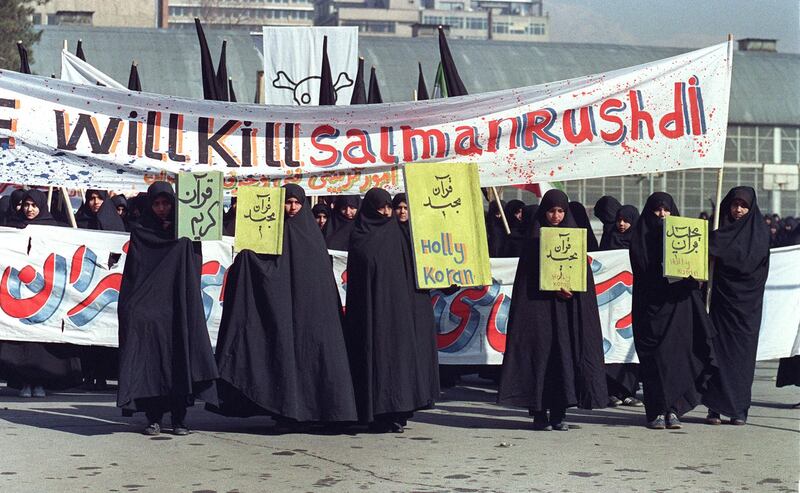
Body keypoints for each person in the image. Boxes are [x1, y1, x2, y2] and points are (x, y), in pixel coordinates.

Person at [208, 184, 358, 426]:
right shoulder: (270, 232)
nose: (292, 207)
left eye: (297, 202)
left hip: (310, 315)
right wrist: (249, 260)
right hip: (283, 312)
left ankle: (313, 411)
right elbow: (270, 271)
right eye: (287, 202)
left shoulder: (311, 237)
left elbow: (318, 277)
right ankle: (284, 412)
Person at [498, 189, 608, 431]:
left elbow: (583, 279)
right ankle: (539, 412)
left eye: (560, 211)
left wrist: (573, 290)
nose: (556, 216)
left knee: (563, 359)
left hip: (565, 312)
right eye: (551, 210)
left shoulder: (574, 241)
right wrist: (549, 288)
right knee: (540, 359)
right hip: (538, 313)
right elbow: (526, 280)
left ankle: (559, 413)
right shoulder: (533, 241)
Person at [116, 181, 218, 436]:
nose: (162, 208)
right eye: (157, 204)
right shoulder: (141, 232)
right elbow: (135, 274)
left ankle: (180, 418)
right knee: (151, 364)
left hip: (178, 307)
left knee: (179, 361)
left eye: (166, 203)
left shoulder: (187, 233)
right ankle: (153, 417)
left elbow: (193, 268)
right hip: (151, 310)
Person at [343, 188, 439, 433]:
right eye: (381, 207)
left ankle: (398, 410)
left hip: (397, 312)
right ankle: (375, 414)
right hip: (370, 313)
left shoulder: (399, 234)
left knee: (398, 360)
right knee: (373, 359)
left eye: (389, 207)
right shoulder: (360, 235)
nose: (386, 212)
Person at [629, 192, 716, 430]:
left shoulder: (685, 236)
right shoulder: (641, 239)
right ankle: (656, 410)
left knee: (677, 359)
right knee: (654, 362)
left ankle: (674, 409)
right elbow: (643, 271)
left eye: (666, 209)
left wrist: (693, 274)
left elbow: (697, 271)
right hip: (651, 308)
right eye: (657, 209)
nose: (662, 214)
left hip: (678, 308)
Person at [0, 190, 82, 397]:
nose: (29, 209)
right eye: (26, 205)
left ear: (41, 206)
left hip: (47, 293)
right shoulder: (13, 228)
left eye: (33, 205)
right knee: (22, 344)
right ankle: (25, 383)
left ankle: (41, 383)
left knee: (42, 345)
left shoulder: (54, 229)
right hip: (19, 292)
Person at [702, 187, 770, 426]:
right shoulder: (718, 232)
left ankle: (739, 409)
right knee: (716, 353)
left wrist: (719, 248)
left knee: (741, 359)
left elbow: (748, 263)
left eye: (743, 205)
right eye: (734, 204)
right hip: (721, 305)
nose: (738, 210)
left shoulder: (759, 234)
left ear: (751, 208)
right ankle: (714, 408)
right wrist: (712, 246)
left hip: (746, 310)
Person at [74, 190, 126, 390]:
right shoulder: (80, 221)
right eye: (91, 198)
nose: (94, 202)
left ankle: (103, 374)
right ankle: (87, 373)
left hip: (107, 288)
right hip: (83, 286)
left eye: (99, 198)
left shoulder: (115, 224)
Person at [597, 204, 642, 407]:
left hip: (633, 303)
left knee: (629, 345)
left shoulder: (640, 243)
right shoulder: (608, 240)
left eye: (626, 220)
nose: (622, 224)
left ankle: (628, 391)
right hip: (610, 305)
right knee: (611, 343)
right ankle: (610, 391)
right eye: (619, 220)